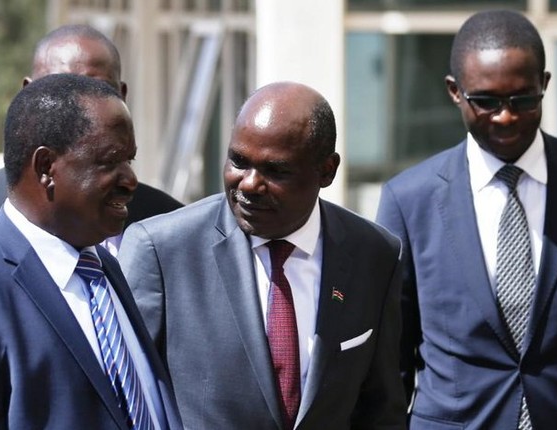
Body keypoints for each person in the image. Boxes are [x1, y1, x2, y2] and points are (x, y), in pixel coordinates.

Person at [375, 9, 557, 429]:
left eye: (523, 99)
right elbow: (390, 362)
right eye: (486, 101)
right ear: (455, 92)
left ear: (544, 85)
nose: (506, 116)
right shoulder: (408, 200)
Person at [118, 81, 407, 429]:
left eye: (275, 170)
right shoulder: (163, 250)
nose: (250, 183)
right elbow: (126, 401)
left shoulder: (373, 254)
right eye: (238, 161)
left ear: (327, 171)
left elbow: (381, 408)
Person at [0, 73, 183, 429]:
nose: (130, 180)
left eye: (129, 160)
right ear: (46, 167)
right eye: (110, 162)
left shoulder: (101, 266)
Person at [0, 24, 182, 286]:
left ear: (122, 96)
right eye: (59, 90)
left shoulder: (167, 220)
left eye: (98, 89)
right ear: (27, 93)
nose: (82, 109)